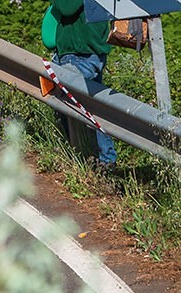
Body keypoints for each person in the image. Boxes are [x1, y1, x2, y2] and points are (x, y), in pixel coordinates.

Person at [51, 0, 117, 167]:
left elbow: (67, 7)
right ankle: (104, 160)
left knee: (66, 102)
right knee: (92, 108)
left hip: (80, 54)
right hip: (83, 51)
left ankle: (89, 159)